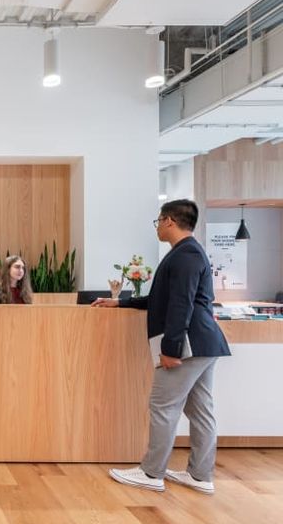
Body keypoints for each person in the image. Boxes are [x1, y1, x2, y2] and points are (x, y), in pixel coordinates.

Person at [92, 199, 230, 494]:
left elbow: (181, 304)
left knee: (162, 406)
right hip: (205, 344)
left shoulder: (185, 255)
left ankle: (151, 472)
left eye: (158, 222)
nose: (157, 228)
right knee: (201, 410)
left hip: (189, 345)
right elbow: (162, 299)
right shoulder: (188, 252)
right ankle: (200, 475)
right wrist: (120, 302)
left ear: (169, 221)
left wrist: (171, 348)